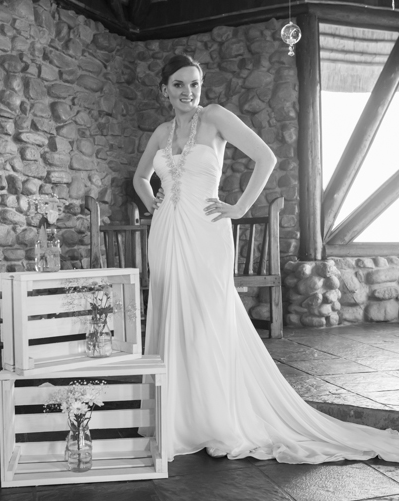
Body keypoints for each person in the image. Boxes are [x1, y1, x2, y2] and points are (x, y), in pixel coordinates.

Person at [133, 54, 399, 463]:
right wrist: (153, 202)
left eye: (194, 84)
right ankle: (178, 415)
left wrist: (239, 207)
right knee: (171, 311)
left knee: (207, 316)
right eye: (179, 84)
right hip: (166, 232)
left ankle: (215, 415)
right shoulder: (160, 132)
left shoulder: (215, 117)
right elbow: (140, 177)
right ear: (164, 90)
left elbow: (267, 157)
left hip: (206, 230)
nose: (188, 92)